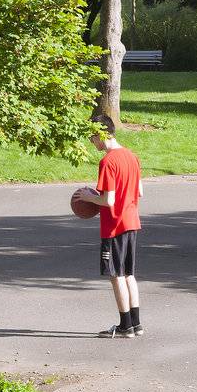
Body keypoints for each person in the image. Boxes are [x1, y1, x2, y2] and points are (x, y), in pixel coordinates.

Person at [75, 114, 143, 338]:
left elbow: (108, 201)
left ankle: (125, 327)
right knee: (129, 274)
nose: (92, 142)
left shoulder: (108, 161)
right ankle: (136, 324)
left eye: (92, 137)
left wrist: (88, 196)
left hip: (114, 226)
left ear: (101, 134)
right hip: (132, 222)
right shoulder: (132, 156)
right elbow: (139, 192)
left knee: (116, 276)